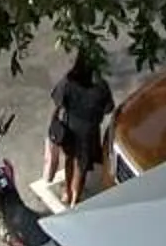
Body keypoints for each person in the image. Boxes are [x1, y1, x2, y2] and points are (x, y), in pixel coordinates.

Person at [44, 47, 114, 206]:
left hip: (70, 129)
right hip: (89, 132)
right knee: (81, 166)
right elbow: (109, 108)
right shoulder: (101, 87)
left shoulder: (69, 82)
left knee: (69, 159)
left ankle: (67, 193)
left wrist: (53, 123)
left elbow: (57, 101)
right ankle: (75, 199)